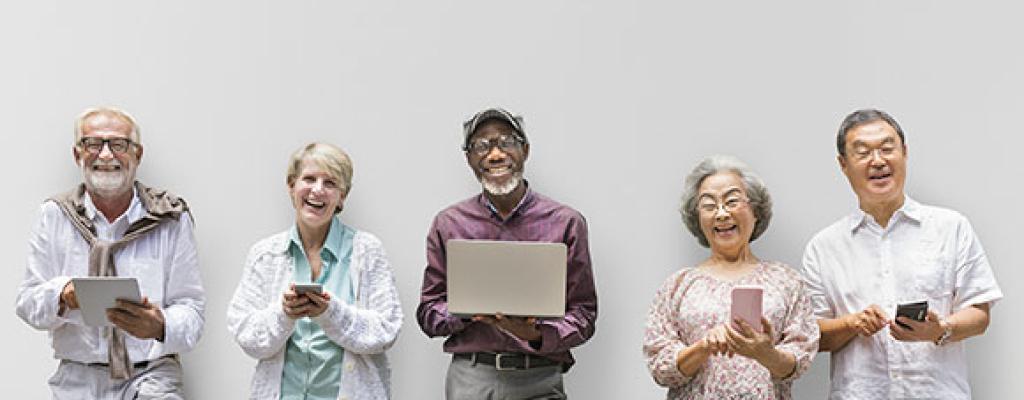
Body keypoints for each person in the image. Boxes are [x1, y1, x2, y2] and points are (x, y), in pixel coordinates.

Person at [801, 109, 1004, 399]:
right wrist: (852, 324)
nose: (878, 161)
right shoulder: (824, 247)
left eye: (887, 148)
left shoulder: (950, 227)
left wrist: (939, 329)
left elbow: (979, 315)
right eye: (863, 152)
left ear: (905, 153)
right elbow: (812, 335)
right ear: (843, 165)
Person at [15, 107, 205, 398]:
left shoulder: (171, 218)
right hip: (77, 378)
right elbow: (27, 302)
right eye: (93, 144)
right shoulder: (54, 215)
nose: (106, 155)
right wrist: (63, 295)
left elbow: (192, 311)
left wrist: (159, 325)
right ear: (77, 155)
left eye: (118, 144)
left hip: (152, 375)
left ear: (137, 155)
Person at [416, 107, 598, 399]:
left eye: (506, 142)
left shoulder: (566, 222)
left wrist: (536, 335)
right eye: (481, 146)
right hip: (472, 379)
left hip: (540, 376)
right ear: (469, 159)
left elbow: (584, 315)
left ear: (525, 150)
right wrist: (467, 311)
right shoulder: (449, 223)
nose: (495, 154)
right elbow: (428, 314)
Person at [227, 142, 402, 400]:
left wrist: (329, 312)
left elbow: (386, 329)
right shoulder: (265, 254)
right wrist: (284, 314)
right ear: (291, 186)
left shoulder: (367, 250)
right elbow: (245, 333)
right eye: (309, 179)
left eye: (330, 183)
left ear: (342, 196)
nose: (317, 190)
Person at [643, 155, 818, 399]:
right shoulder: (678, 286)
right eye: (709, 205)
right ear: (697, 218)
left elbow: (799, 361)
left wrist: (765, 352)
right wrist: (702, 348)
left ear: (756, 210)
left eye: (732, 201)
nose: (722, 213)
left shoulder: (787, 281)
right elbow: (660, 368)